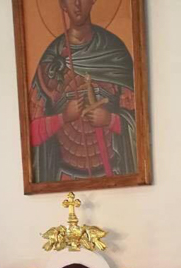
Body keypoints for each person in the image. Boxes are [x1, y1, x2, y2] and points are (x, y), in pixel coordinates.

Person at [29, 0, 137, 182]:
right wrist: (63, 117)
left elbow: (140, 124)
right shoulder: (51, 61)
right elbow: (31, 133)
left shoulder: (114, 54)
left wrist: (110, 120)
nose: (77, 4)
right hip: (64, 180)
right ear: (63, 4)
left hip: (113, 176)